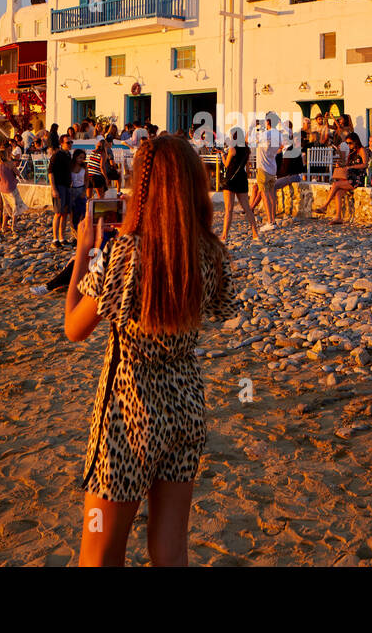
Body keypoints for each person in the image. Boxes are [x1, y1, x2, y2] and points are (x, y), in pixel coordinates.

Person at [64, 136, 241, 566]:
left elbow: (74, 328)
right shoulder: (208, 253)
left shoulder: (125, 253)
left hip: (130, 409)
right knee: (170, 549)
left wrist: (84, 252)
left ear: (144, 188)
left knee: (99, 551)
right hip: (186, 403)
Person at [317, 132, 368, 221]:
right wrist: (341, 164)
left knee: (336, 185)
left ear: (356, 141)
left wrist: (351, 167)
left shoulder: (361, 150)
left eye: (350, 143)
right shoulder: (352, 152)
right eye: (347, 143)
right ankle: (338, 217)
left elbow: (365, 164)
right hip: (350, 177)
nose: (349, 145)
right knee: (338, 193)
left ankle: (325, 206)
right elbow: (347, 164)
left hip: (358, 178)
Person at [220, 127, 259, 242]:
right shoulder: (247, 150)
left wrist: (223, 157)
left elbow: (226, 165)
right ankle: (255, 233)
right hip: (242, 179)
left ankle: (224, 236)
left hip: (231, 180)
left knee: (229, 209)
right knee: (247, 208)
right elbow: (247, 167)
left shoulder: (232, 149)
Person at [47, 137, 74, 247]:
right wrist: (53, 188)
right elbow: (50, 172)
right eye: (68, 142)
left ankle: (62, 237)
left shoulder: (68, 155)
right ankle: (55, 239)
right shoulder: (57, 156)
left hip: (67, 186)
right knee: (58, 213)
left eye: (71, 142)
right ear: (62, 143)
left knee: (65, 213)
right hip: (59, 186)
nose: (70, 144)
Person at [253, 124, 279, 232]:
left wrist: (253, 128)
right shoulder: (277, 135)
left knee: (265, 195)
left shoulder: (265, 135)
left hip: (263, 168)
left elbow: (248, 139)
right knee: (272, 195)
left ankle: (269, 221)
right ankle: (273, 220)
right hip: (272, 168)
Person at [0, 149, 20, 234]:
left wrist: (0, 178)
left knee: (6, 207)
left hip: (2, 188)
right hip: (11, 187)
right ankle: (13, 226)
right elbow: (18, 173)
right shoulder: (10, 164)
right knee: (15, 206)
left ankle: (4, 226)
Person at [69, 150, 89, 226]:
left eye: (83, 158)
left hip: (81, 189)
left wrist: (84, 191)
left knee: (82, 211)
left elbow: (87, 180)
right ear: (75, 157)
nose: (81, 160)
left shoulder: (84, 167)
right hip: (72, 190)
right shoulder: (70, 167)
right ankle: (74, 228)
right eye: (80, 157)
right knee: (73, 212)